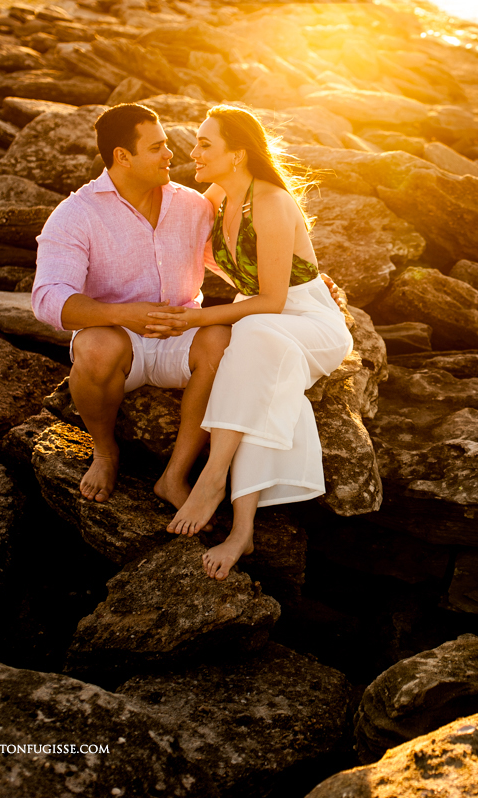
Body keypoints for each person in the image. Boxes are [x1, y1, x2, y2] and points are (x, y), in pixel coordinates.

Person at [145, 104, 352, 581]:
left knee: (253, 337)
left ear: (237, 155)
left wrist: (192, 319)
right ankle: (243, 529)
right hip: (263, 320)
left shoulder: (272, 201)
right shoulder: (220, 195)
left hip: (308, 320)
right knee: (260, 364)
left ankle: (213, 477)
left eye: (204, 144)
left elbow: (274, 299)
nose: (191, 152)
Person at [32, 103, 230, 508]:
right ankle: (105, 452)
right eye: (157, 147)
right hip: (120, 343)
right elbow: (48, 297)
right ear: (122, 156)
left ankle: (174, 477)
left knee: (224, 342)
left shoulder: (192, 206)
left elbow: (235, 265)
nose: (170, 154)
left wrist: (310, 284)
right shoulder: (76, 214)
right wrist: (124, 315)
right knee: (95, 347)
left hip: (182, 335)